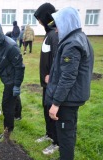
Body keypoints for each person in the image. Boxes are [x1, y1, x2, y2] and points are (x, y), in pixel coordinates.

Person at [46, 7, 94, 160]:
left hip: (67, 99)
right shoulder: (79, 37)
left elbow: (68, 77)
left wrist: (56, 103)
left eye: (58, 26)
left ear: (66, 23)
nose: (57, 31)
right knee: (69, 130)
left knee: (65, 134)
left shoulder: (72, 44)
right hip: (72, 96)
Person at [34, 3, 59, 155]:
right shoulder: (48, 34)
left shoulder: (55, 35)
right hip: (46, 83)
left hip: (53, 83)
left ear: (46, 17)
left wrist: (52, 75)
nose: (39, 22)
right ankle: (49, 135)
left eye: (40, 18)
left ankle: (57, 141)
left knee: (53, 112)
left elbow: (57, 58)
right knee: (46, 109)